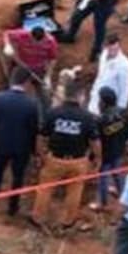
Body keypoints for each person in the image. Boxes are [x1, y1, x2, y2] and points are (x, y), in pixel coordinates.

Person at [32, 81, 100, 231]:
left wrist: (41, 155)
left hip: (55, 159)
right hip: (78, 161)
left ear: (65, 94)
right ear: (81, 96)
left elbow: (41, 136)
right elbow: (94, 141)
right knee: (74, 192)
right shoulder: (87, 117)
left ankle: (38, 218)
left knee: (45, 189)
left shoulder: (53, 113)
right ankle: (68, 221)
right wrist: (97, 159)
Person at [0, 68, 41, 216]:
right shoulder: (32, 104)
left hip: (1, 142)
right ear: (26, 82)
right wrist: (34, 150)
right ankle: (13, 206)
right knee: (18, 176)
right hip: (22, 147)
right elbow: (33, 130)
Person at [91, 86, 128, 212]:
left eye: (100, 100)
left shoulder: (101, 121)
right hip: (119, 149)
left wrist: (94, 157)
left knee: (103, 178)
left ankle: (102, 203)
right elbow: (127, 131)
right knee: (117, 172)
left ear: (103, 102)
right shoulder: (124, 113)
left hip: (105, 153)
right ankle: (123, 195)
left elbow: (97, 140)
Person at [88, 33, 128, 115]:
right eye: (110, 48)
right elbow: (100, 76)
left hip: (110, 103)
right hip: (96, 98)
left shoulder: (124, 64)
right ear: (106, 46)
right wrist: (93, 91)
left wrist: (120, 107)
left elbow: (125, 88)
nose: (113, 51)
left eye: (116, 49)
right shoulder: (103, 55)